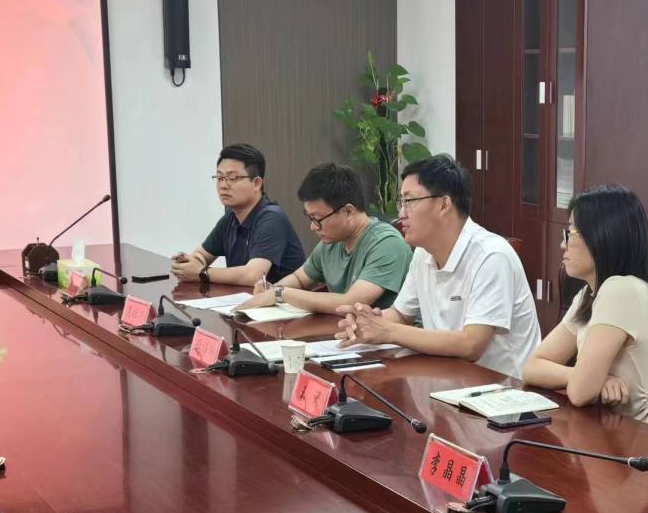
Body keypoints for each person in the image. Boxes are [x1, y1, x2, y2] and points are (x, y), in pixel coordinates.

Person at [335, 154, 540, 378]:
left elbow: (471, 345)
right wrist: (366, 322)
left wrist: (388, 331)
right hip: (447, 379)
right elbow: (401, 314)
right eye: (401, 202)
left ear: (444, 204)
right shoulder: (423, 253)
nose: (401, 213)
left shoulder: (491, 256)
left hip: (502, 388)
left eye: (409, 201)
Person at [522, 185, 648, 428]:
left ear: (603, 236)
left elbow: (580, 393)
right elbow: (532, 367)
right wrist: (594, 378)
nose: (562, 245)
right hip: (608, 429)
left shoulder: (623, 291)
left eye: (570, 233)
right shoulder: (589, 295)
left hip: (644, 441)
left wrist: (586, 380)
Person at [232, 163, 411, 314]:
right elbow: (300, 278)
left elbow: (351, 303)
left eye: (317, 219)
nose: (313, 227)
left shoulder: (387, 244)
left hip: (391, 341)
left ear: (348, 212)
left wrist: (280, 293)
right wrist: (271, 290)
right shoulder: (332, 241)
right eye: (310, 218)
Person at [170, 143, 304, 285]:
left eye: (233, 178)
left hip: (283, 298)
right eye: (220, 178)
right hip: (247, 297)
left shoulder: (272, 218)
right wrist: (189, 263)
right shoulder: (231, 217)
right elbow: (202, 255)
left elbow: (254, 275)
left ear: (256, 183)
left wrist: (201, 272)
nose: (223, 185)